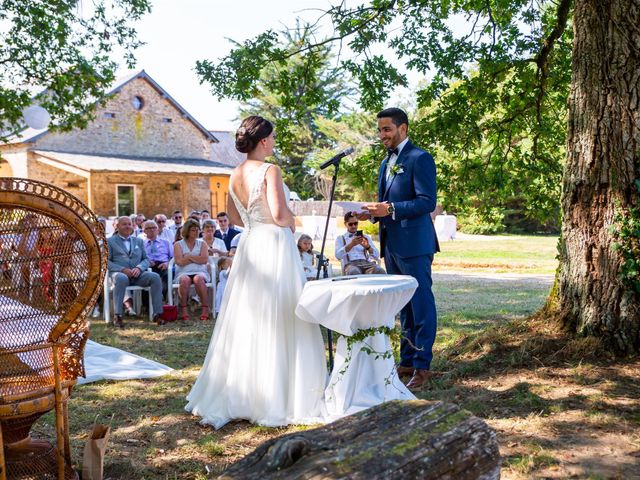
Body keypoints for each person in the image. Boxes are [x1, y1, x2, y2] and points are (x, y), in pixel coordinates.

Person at [186, 115, 326, 429]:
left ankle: (244, 390)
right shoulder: (270, 170)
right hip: (274, 245)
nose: (274, 142)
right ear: (263, 140)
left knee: (248, 315)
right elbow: (278, 215)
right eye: (272, 137)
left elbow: (234, 216)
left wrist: (259, 219)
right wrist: (292, 217)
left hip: (250, 245)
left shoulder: (235, 173)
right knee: (281, 312)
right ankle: (277, 394)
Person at [359, 107, 439, 391]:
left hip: (415, 244)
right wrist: (374, 213)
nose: (382, 135)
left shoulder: (420, 158)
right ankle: (406, 360)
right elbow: (387, 204)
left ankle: (422, 366)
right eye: (380, 130)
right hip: (391, 244)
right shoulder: (385, 162)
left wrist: (390, 208)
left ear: (402, 128)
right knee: (403, 306)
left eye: (387, 129)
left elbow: (427, 202)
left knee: (421, 306)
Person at [107, 216, 164, 328]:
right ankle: (118, 315)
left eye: (129, 224)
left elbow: (146, 259)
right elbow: (106, 262)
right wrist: (122, 269)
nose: (128, 226)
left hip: (138, 274)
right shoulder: (110, 241)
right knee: (121, 278)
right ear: (117, 226)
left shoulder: (138, 241)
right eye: (124, 224)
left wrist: (139, 268)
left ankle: (157, 314)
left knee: (155, 277)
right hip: (120, 274)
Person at [173, 218, 210, 321]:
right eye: (193, 230)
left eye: (198, 229)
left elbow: (204, 260)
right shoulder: (178, 244)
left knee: (198, 279)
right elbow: (179, 262)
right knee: (185, 280)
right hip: (183, 272)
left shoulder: (202, 243)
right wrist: (195, 258)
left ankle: (205, 308)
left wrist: (189, 257)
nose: (196, 232)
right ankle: (184, 309)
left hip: (200, 271)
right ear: (187, 231)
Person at [335, 211, 385, 276]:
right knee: (354, 272)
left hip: (367, 264)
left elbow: (377, 255)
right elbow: (338, 256)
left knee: (380, 271)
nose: (353, 226)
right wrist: (351, 244)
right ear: (345, 224)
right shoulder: (340, 238)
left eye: (355, 223)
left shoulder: (366, 237)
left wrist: (368, 247)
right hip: (351, 265)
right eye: (350, 224)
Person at [142, 220, 173, 299]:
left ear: (158, 229)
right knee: (144, 276)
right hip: (148, 266)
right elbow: (138, 258)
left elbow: (173, 257)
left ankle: (162, 297)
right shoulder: (141, 244)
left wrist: (167, 263)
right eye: (148, 228)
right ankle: (148, 304)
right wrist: (147, 262)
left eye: (154, 228)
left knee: (167, 275)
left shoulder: (166, 242)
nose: (152, 230)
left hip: (163, 265)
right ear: (144, 231)